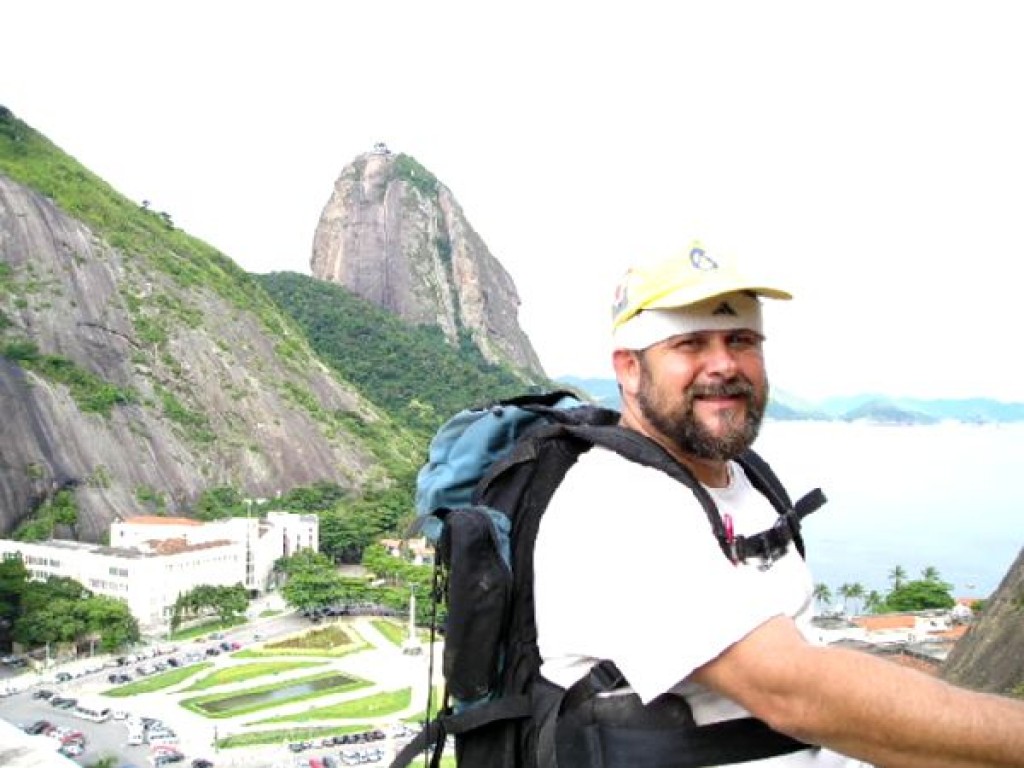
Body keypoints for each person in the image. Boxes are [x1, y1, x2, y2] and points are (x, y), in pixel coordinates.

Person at [533, 241, 1024, 767]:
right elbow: (793, 693)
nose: (724, 364)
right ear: (630, 368)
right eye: (691, 343)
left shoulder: (746, 482)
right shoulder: (615, 504)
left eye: (741, 339)